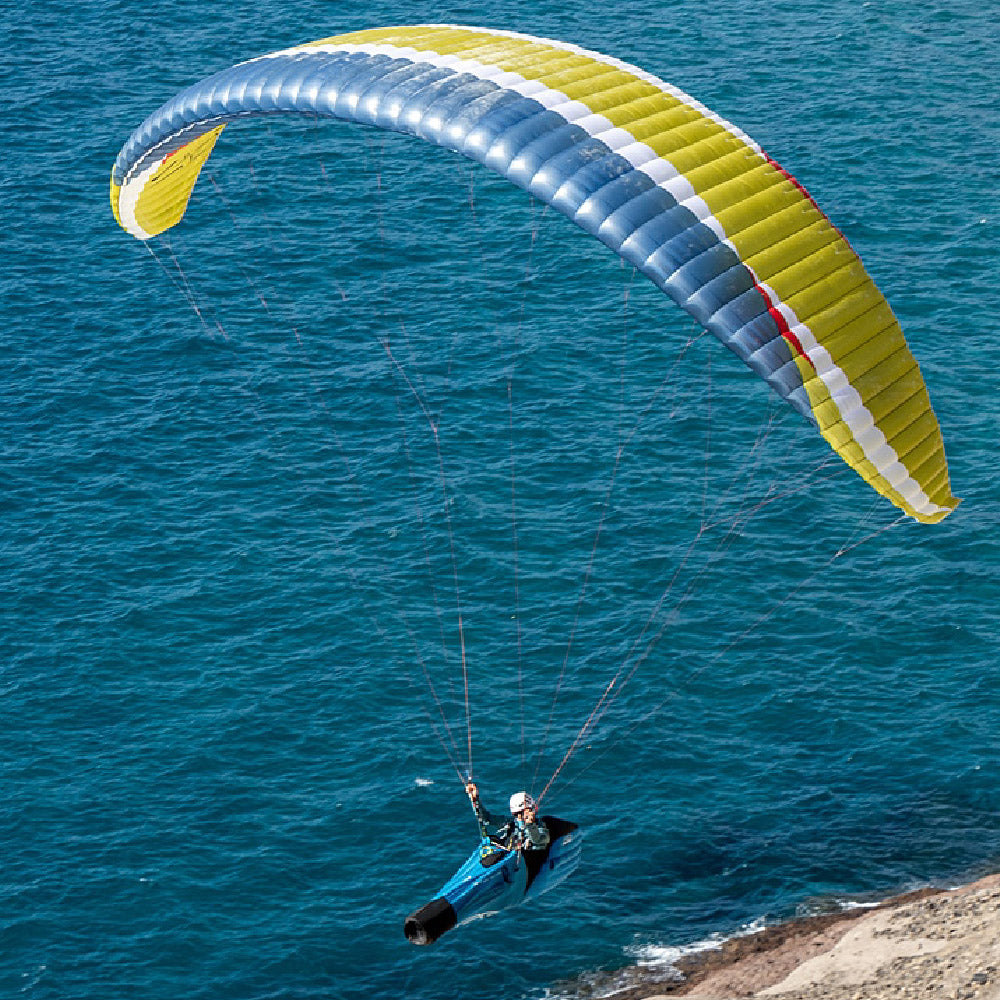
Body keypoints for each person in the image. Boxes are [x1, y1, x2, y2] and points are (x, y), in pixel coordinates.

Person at [465, 781, 551, 850]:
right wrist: (475, 800)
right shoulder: (509, 823)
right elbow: (487, 819)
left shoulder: (540, 826)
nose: (520, 817)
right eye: (517, 814)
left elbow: (539, 840)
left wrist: (530, 825)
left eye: (522, 813)